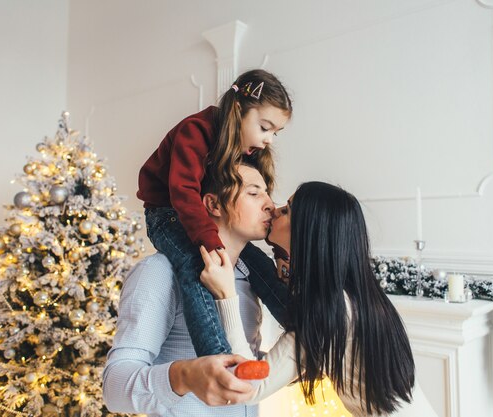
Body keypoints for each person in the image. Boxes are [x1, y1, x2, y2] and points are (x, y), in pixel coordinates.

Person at [200, 182, 440, 417]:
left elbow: (251, 387)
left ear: (308, 230)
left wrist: (226, 295)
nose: (275, 209)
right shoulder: (355, 295)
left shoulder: (330, 310)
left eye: (287, 210)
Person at [137, 69, 293, 357]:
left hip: (203, 217)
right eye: (265, 127)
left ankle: (305, 329)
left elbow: (250, 207)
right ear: (238, 110)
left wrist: (281, 251)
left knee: (258, 264)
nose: (269, 139)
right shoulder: (195, 131)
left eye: (275, 132)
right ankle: (218, 354)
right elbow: (183, 191)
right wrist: (210, 243)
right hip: (167, 213)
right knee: (197, 264)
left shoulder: (246, 149)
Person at [103, 163, 280, 416]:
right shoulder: (159, 272)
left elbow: (241, 361)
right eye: (254, 193)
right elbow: (114, 388)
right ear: (213, 205)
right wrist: (185, 376)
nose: (270, 205)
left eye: (267, 192)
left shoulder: (250, 278)